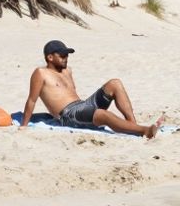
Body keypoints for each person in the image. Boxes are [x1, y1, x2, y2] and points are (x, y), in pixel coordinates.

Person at [21, 40, 164, 137]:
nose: (66, 58)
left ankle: (132, 125)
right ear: (50, 57)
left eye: (67, 55)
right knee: (102, 114)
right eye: (62, 55)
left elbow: (72, 93)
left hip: (82, 105)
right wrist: (24, 125)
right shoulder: (40, 73)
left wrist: (85, 107)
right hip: (68, 115)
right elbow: (32, 100)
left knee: (115, 83)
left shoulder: (67, 71)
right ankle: (144, 131)